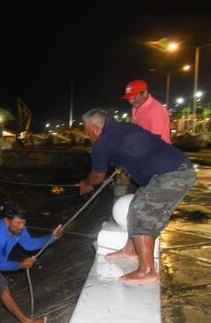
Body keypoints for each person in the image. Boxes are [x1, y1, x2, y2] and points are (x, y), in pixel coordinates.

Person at [78, 108, 195, 284]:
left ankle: (147, 270)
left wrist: (86, 183)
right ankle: (130, 250)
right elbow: (141, 147)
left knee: (143, 212)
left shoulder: (101, 143)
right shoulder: (125, 127)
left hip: (171, 175)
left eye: (88, 133)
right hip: (175, 170)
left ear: (95, 128)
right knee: (136, 204)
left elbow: (98, 176)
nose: (89, 138)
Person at [122, 79, 171, 144]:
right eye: (128, 99)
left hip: (158, 151)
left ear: (144, 93)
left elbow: (156, 139)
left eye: (134, 98)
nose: (131, 101)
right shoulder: (135, 107)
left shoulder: (156, 110)